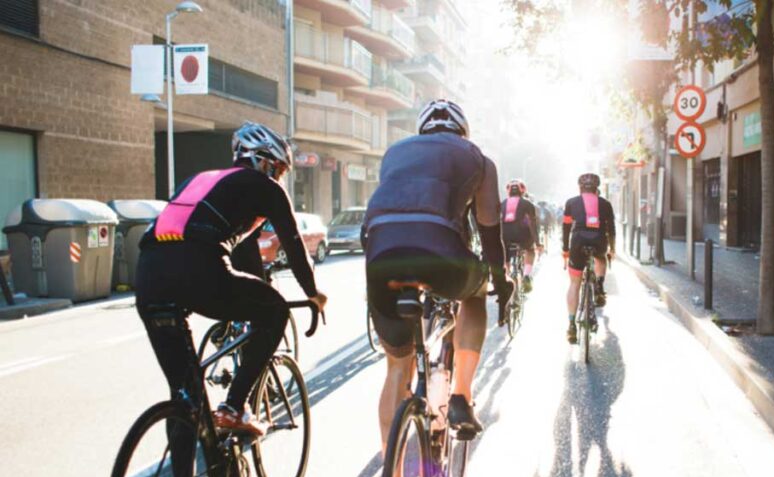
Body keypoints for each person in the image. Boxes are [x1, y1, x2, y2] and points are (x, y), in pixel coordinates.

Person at [136, 121, 328, 437]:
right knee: (275, 311)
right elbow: (294, 246)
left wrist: (254, 290)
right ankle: (234, 407)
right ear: (264, 162)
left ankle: (183, 469)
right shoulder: (266, 187)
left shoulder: (201, 180)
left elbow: (244, 253)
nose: (280, 178)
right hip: (198, 266)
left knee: (186, 394)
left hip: (148, 274)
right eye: (280, 169)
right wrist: (313, 293)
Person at [363, 99, 513, 447]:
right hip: (440, 253)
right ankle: (461, 396)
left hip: (381, 255)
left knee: (396, 369)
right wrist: (500, 281)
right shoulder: (478, 158)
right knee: (475, 293)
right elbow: (489, 228)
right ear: (463, 131)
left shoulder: (395, 153)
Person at [562, 172, 616, 344]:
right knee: (601, 258)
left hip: (577, 242)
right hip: (599, 241)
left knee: (574, 283)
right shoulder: (605, 204)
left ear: (580, 188)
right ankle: (599, 285)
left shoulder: (571, 203)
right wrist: (612, 249)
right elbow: (611, 229)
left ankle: (571, 325)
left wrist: (565, 249)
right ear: (596, 188)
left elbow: (566, 228)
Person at [500, 179, 540, 292]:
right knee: (530, 250)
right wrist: (537, 243)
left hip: (505, 235)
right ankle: (526, 276)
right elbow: (532, 224)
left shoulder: (502, 203)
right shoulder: (528, 203)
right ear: (522, 191)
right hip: (522, 236)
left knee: (505, 255)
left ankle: (506, 276)